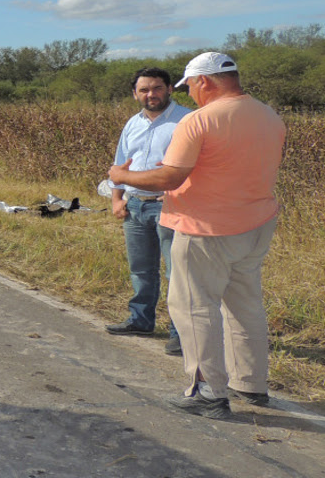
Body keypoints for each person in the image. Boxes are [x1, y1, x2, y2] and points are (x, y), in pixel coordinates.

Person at [108, 51, 285, 420]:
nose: (189, 93)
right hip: (255, 223)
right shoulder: (268, 115)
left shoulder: (199, 120)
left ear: (203, 81)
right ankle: (251, 383)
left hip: (205, 227)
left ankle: (208, 392)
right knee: (245, 306)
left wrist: (121, 178)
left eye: (189, 86)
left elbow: (168, 178)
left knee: (194, 309)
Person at [105, 68, 190, 358]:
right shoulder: (133, 123)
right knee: (141, 269)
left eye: (156, 88)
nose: (150, 94)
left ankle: (181, 334)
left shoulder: (186, 121)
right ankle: (141, 321)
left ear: (169, 89)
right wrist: (117, 199)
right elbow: (119, 165)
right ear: (135, 93)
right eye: (144, 90)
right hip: (135, 205)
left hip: (171, 204)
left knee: (176, 272)